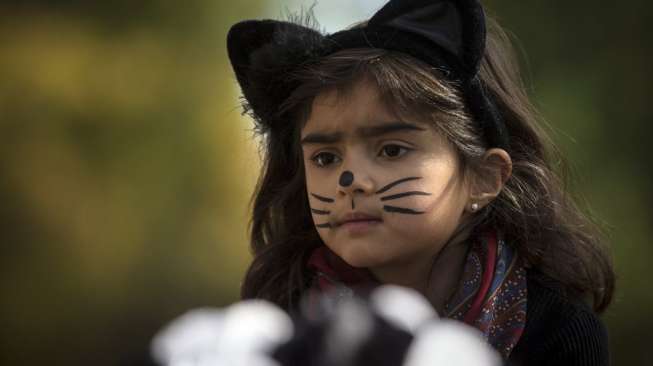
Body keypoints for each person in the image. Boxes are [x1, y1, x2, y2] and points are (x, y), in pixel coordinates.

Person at [227, 0, 615, 365]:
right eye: (326, 158)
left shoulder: (556, 330)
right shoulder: (279, 324)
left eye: (392, 150)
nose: (350, 182)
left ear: (483, 177)